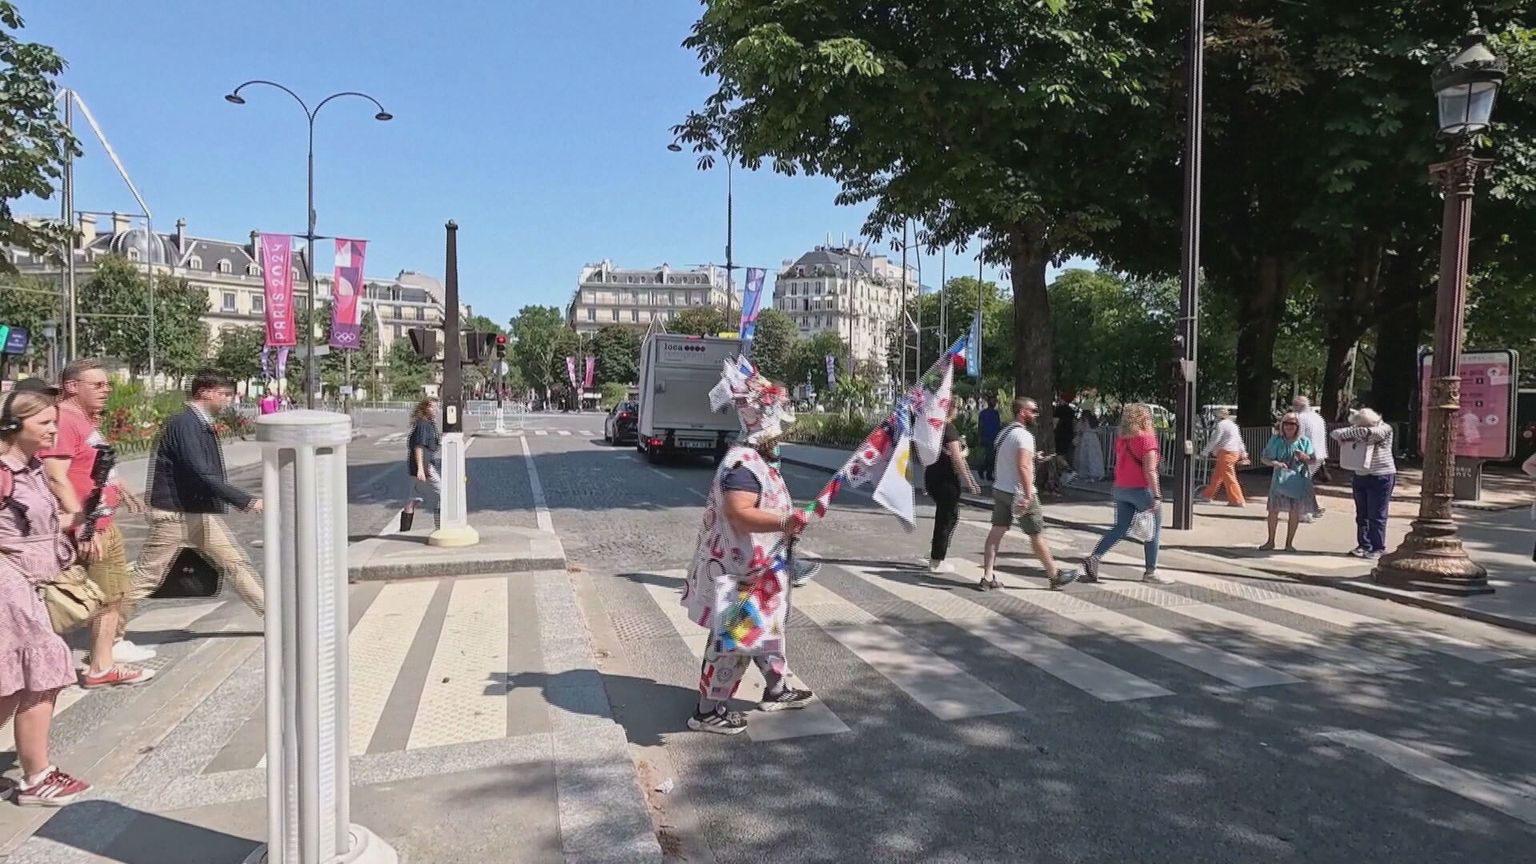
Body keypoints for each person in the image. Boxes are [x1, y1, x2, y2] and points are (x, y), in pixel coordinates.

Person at [683, 360, 814, 735]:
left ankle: (776, 689)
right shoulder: (743, 464)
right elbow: (739, 514)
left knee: (764, 631)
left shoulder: (756, 459)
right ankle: (708, 710)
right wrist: (786, 522)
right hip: (742, 570)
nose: (784, 430)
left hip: (758, 566)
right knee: (732, 643)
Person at [0, 387, 93, 805]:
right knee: (44, 673)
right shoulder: (4, 472)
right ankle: (37, 777)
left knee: (11, 683)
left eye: (54, 421)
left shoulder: (33, 467)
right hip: (11, 586)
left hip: (35, 581)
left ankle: (37, 773)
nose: (54, 429)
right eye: (44, 422)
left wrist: (75, 520)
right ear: (13, 425)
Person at [39, 362, 155, 689]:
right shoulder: (64, 419)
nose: (106, 390)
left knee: (112, 594)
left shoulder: (83, 419)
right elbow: (56, 477)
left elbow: (91, 467)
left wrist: (120, 488)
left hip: (100, 522)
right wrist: (84, 525)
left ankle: (100, 661)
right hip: (89, 527)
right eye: (98, 385)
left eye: (107, 384)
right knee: (101, 596)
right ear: (72, 386)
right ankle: (99, 668)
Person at [124, 371, 264, 619]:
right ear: (205, 393)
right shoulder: (185, 423)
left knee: (235, 563)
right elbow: (201, 472)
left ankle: (274, 617)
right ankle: (104, 626)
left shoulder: (198, 422)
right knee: (147, 578)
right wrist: (246, 501)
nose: (228, 400)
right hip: (174, 515)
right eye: (224, 394)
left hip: (195, 512)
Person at [981, 398, 1076, 591]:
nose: (1036, 414)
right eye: (1033, 411)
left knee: (996, 531)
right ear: (1022, 411)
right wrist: (1027, 494)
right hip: (1019, 491)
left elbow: (1013, 458)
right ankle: (1054, 575)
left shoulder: (1005, 432)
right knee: (1036, 533)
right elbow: (1022, 466)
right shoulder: (1024, 436)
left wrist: (1034, 458)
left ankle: (988, 575)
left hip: (1001, 489)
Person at [1081, 403, 1169, 585]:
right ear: (1145, 419)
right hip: (1141, 489)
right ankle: (1151, 571)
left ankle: (1095, 557)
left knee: (1120, 527)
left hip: (1121, 488)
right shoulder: (1147, 439)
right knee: (1152, 530)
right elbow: (1150, 470)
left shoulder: (1122, 438)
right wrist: (1157, 495)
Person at [1330, 408, 1396, 560]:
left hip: (1381, 475)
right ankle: (1364, 545)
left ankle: (1378, 547)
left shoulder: (1385, 428)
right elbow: (1335, 433)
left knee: (1377, 515)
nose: (1359, 428)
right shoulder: (1358, 429)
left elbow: (1369, 433)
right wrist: (1348, 433)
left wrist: (1348, 434)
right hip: (1360, 475)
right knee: (1362, 514)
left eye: (1361, 424)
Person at [925, 401, 980, 573]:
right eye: (957, 407)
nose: (958, 411)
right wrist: (969, 482)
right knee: (946, 518)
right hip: (946, 479)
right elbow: (957, 458)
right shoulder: (949, 429)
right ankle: (937, 559)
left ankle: (936, 548)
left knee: (951, 516)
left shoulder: (935, 427)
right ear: (951, 409)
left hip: (932, 475)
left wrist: (970, 479)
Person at [1259, 412, 1316, 552]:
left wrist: (1304, 457)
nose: (1288, 426)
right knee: (1273, 511)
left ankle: (1289, 543)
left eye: (1292, 423)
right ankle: (1270, 541)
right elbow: (1264, 458)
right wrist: (1275, 463)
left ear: (1298, 426)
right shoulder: (1276, 440)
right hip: (1279, 479)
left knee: (1294, 512)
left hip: (1298, 479)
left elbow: (1313, 459)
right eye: (1285, 423)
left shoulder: (1304, 441)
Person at [399, 398, 441, 532]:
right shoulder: (423, 424)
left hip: (420, 466)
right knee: (443, 494)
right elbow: (418, 447)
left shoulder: (429, 423)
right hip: (424, 466)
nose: (436, 409)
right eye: (432, 407)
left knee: (414, 498)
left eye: (437, 407)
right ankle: (440, 528)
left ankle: (404, 532)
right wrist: (421, 469)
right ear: (424, 408)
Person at [1199, 408, 1249, 507]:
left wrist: (1205, 452)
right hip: (1234, 452)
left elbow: (1215, 439)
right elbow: (1239, 440)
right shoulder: (1233, 425)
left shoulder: (1221, 425)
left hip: (1226, 453)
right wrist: (1243, 453)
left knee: (1229, 477)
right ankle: (1207, 495)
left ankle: (1237, 500)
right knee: (1218, 475)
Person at [1293, 396, 1329, 519]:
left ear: (1297, 406)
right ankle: (1314, 508)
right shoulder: (1318, 417)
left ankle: (1305, 513)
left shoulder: (1299, 418)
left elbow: (1298, 437)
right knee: (1306, 481)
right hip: (1320, 453)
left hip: (1306, 454)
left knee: (1300, 483)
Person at [1072, 410, 1105, 483]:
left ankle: (1087, 473)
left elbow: (1077, 429)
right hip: (1093, 439)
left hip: (1085, 438)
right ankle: (1094, 473)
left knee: (1086, 456)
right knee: (1093, 456)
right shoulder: (1093, 421)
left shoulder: (1083, 421)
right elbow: (1098, 429)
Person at [977, 395, 1001, 483]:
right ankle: (986, 472)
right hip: (987, 437)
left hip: (994, 437)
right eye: (993, 401)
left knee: (991, 457)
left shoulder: (996, 413)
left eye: (995, 401)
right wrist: (980, 437)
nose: (994, 403)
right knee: (990, 457)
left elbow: (998, 425)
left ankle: (985, 471)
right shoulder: (983, 413)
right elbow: (980, 426)